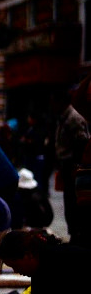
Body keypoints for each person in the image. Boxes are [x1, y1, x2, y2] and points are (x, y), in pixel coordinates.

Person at [52, 87, 90, 246]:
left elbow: (81, 142)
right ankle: (74, 234)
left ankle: (78, 236)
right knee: (69, 202)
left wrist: (76, 166)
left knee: (75, 203)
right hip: (66, 164)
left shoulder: (74, 117)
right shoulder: (63, 117)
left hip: (74, 165)